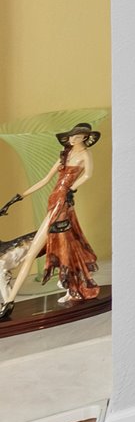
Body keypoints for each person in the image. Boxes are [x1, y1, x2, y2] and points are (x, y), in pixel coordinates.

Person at [0, 122, 102, 319]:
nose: (72, 139)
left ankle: (10, 301)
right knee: (59, 247)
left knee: (32, 255)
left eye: (77, 136)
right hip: (54, 201)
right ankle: (71, 286)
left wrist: (72, 189)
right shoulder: (65, 155)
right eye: (71, 136)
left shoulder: (85, 155)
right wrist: (17, 197)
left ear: (84, 137)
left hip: (62, 204)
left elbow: (88, 174)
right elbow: (45, 180)